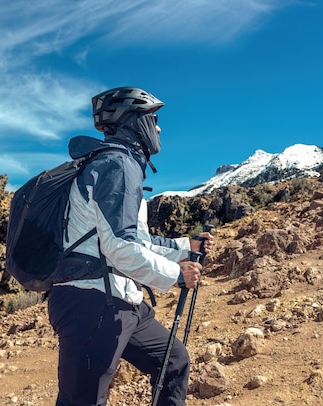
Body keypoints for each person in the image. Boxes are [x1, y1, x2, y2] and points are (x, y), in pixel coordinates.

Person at [47, 86, 214, 406]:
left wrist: (183, 246)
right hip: (91, 303)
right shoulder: (115, 166)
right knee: (82, 401)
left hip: (119, 300)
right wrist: (175, 274)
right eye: (154, 118)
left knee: (173, 361)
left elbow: (132, 238)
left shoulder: (114, 164)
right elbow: (121, 246)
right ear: (134, 122)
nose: (159, 127)